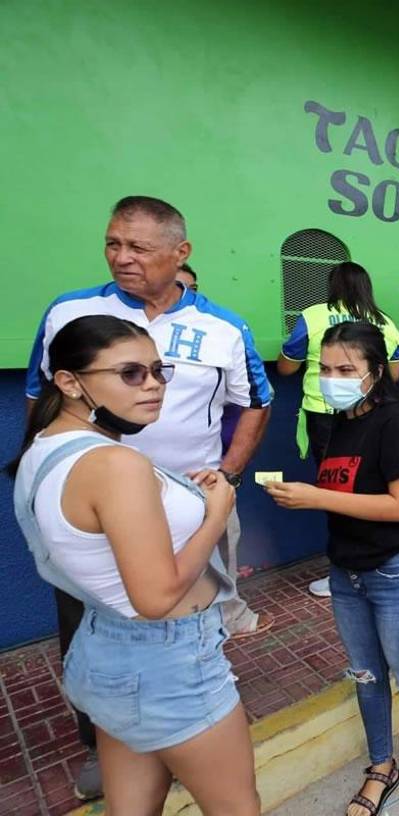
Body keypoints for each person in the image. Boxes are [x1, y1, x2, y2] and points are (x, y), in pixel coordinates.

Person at [26, 196, 272, 799]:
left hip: (190, 505)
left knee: (202, 617)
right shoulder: (72, 312)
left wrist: (228, 479)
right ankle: (130, 733)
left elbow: (256, 402)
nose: (121, 257)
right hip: (99, 510)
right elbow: (39, 396)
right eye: (113, 243)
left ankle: (184, 729)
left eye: (138, 247)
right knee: (102, 614)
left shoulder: (224, 327)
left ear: (180, 253)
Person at [265, 321, 399, 816]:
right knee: (367, 677)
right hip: (347, 574)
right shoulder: (338, 422)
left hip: (397, 574)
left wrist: (315, 497)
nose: (333, 378)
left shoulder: (396, 422)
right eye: (325, 368)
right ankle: (382, 766)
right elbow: (360, 496)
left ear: (376, 371)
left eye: (346, 369)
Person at [278, 261, 399, 598]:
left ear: (331, 286)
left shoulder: (313, 316)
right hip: (370, 415)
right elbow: (393, 376)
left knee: (336, 492)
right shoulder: (386, 323)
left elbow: (286, 367)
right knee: (367, 486)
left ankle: (348, 569)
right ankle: (366, 563)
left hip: (325, 416)